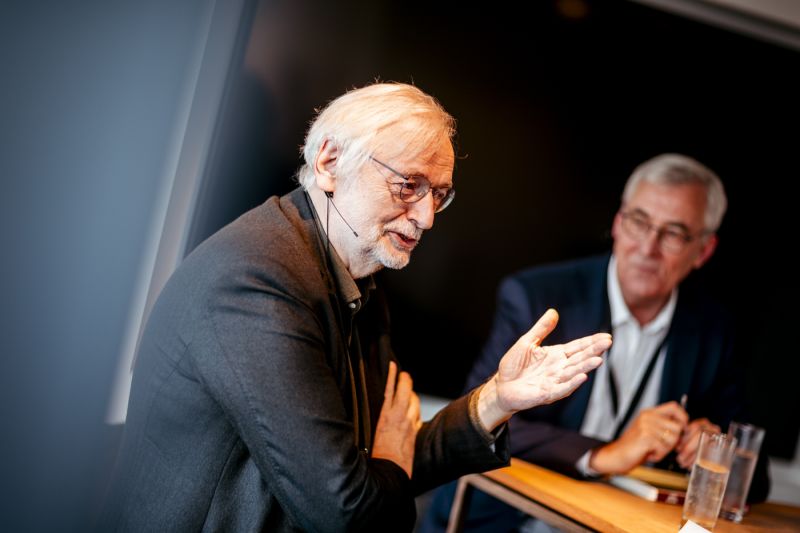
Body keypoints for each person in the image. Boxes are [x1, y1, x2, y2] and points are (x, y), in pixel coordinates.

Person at [98, 82, 612, 532]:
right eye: (408, 186)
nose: (427, 217)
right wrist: (385, 463)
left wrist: (498, 397)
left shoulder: (359, 278)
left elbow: (387, 456)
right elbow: (346, 512)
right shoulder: (255, 282)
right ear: (329, 163)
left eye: (438, 194)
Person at [422, 153, 769, 532]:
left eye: (673, 233)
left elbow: (755, 476)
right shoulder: (536, 296)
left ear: (703, 251)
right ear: (618, 223)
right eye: (639, 222)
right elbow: (478, 421)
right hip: (500, 521)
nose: (647, 248)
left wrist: (713, 447)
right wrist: (604, 455)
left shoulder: (714, 330)